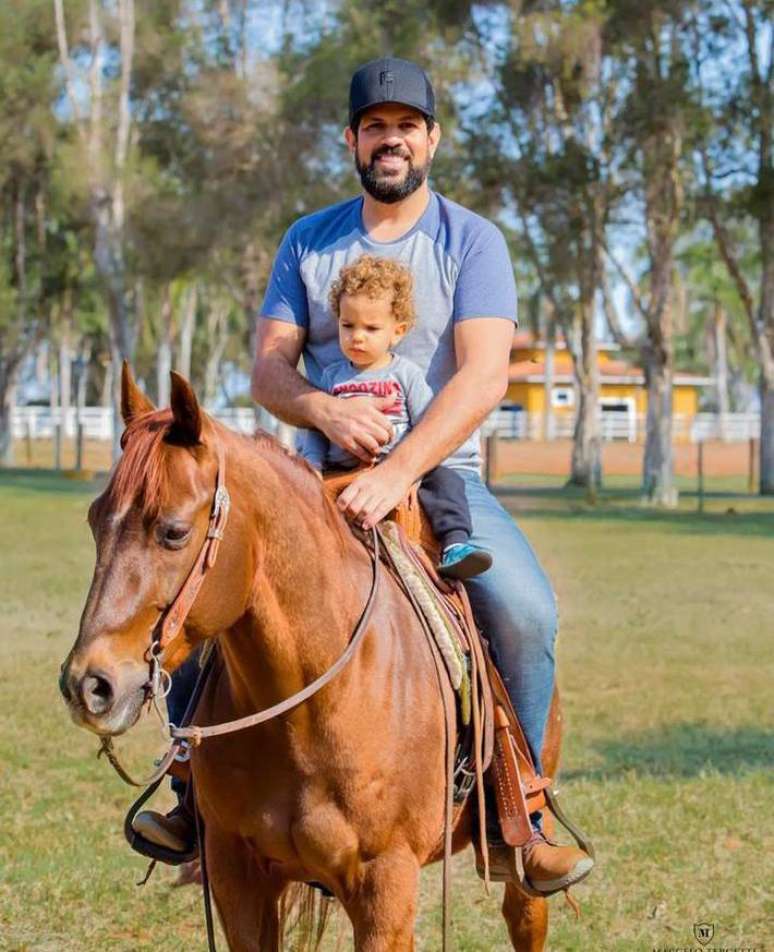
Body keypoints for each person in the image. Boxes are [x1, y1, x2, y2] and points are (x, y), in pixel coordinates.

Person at [136, 56, 593, 895]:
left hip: (440, 478)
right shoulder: (307, 241)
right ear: (351, 139)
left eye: (407, 126)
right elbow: (270, 372)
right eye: (375, 126)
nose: (391, 140)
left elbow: (483, 374)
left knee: (526, 612)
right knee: (203, 603)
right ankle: (193, 800)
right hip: (311, 484)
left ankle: (516, 816)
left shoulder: (472, 241)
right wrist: (325, 411)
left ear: (432, 140)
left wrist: (402, 469)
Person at [303, 252, 492, 580]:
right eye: (348, 325)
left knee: (446, 482)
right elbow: (316, 429)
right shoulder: (332, 377)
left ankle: (455, 543)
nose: (357, 336)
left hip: (401, 466)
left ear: (398, 331)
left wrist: (412, 469)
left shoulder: (406, 375)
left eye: (371, 327)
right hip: (341, 467)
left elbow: (427, 421)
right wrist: (313, 467)